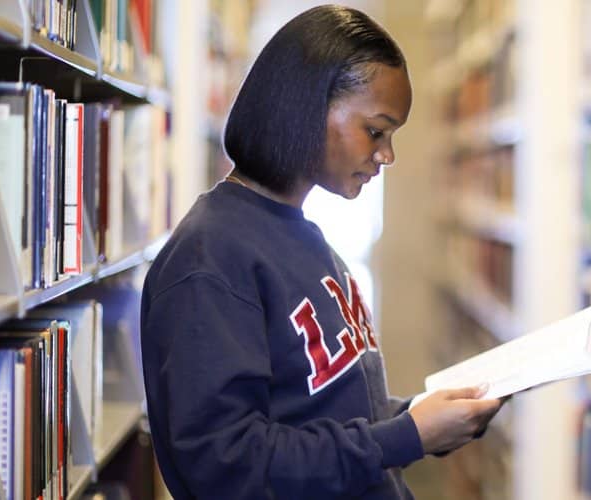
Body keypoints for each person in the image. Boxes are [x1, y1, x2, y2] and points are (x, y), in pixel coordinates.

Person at [140, 5, 503, 499]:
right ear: (307, 107)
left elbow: (322, 412)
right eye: (376, 130)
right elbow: (226, 465)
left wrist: (420, 416)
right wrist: (404, 437)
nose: (386, 155)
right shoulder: (210, 260)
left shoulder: (303, 236)